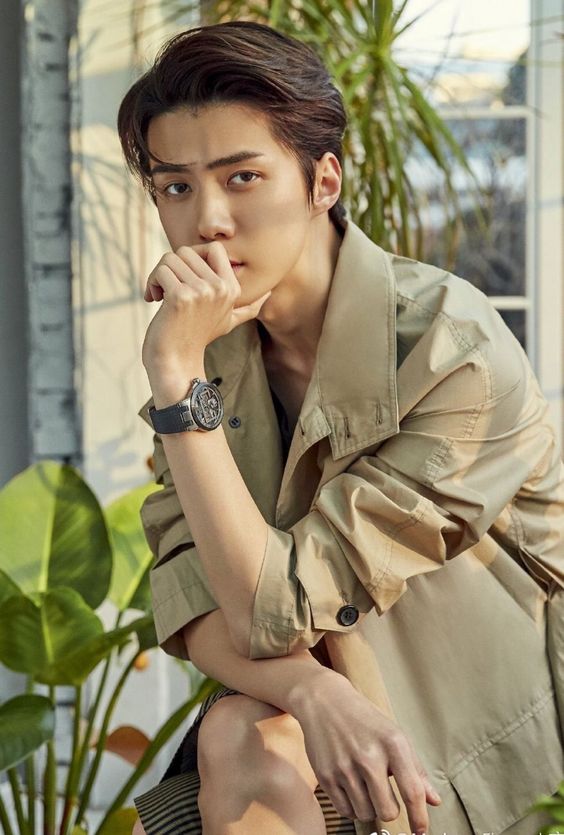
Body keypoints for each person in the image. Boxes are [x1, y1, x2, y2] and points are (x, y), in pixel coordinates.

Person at [117, 19, 564, 835]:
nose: (207, 220)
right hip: (311, 728)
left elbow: (275, 607)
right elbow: (188, 598)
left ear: (324, 181)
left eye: (242, 176)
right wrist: (308, 687)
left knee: (241, 737)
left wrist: (178, 383)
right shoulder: (200, 351)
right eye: (176, 187)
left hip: (470, 746)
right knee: (240, 733)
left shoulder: (449, 350)